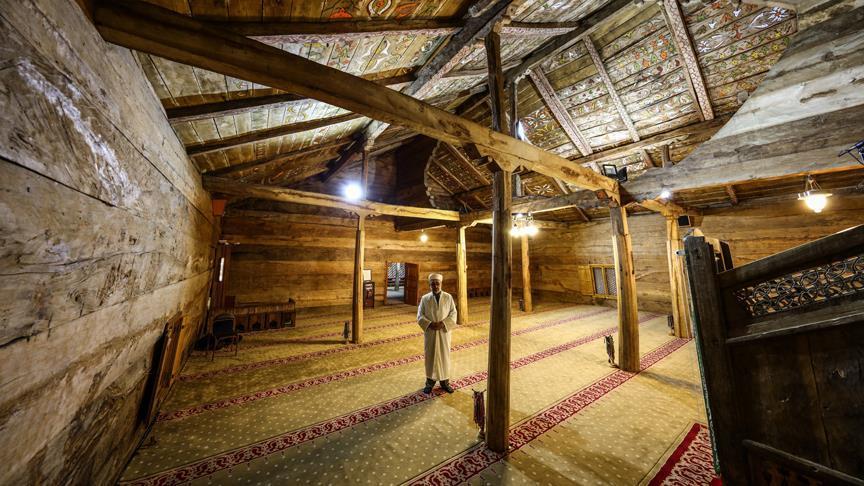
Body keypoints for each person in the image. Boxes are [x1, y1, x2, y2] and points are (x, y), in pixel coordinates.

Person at [417, 273, 457, 394]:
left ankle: (445, 383)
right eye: (432, 284)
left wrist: (443, 323)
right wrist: (429, 324)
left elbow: (453, 313)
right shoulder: (425, 299)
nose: (435, 286)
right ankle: (429, 383)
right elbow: (420, 315)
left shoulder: (448, 297)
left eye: (437, 283)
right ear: (429, 285)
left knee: (444, 356)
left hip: (444, 333)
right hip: (431, 333)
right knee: (430, 357)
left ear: (441, 284)